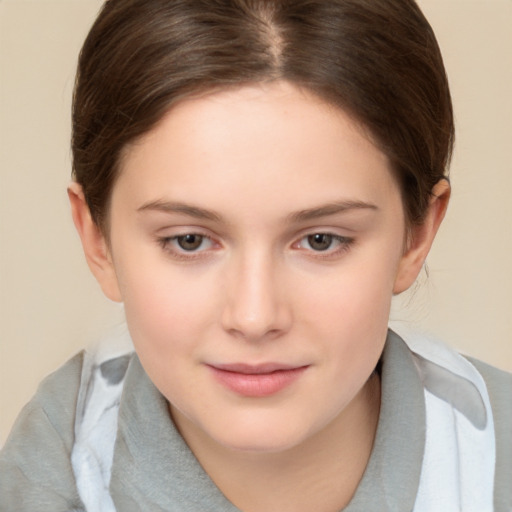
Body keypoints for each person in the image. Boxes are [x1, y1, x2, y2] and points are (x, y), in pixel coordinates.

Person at [0, 1, 510, 511]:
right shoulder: (43, 479)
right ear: (98, 239)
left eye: (321, 240)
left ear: (416, 233)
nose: (254, 316)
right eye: (189, 241)